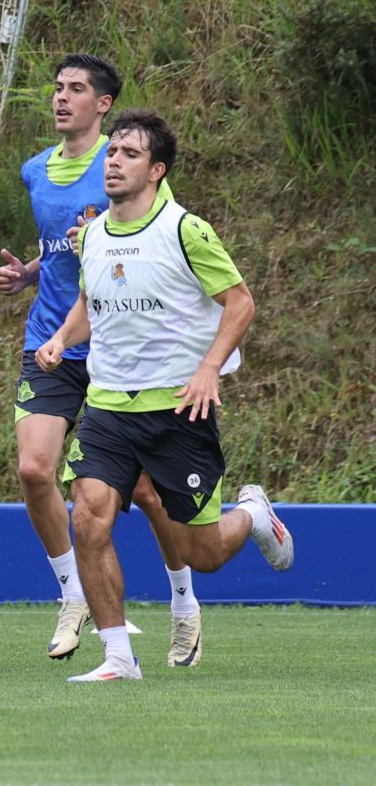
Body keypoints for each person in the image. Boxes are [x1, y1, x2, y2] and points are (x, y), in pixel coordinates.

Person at [36, 108, 294, 683]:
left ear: (156, 170)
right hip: (107, 407)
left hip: (178, 410)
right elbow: (90, 306)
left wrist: (207, 371)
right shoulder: (93, 233)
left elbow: (241, 302)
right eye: (111, 153)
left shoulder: (185, 229)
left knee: (201, 552)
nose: (114, 162)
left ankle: (251, 514)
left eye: (128, 154)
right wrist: (59, 339)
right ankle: (118, 659)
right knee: (89, 520)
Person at [0, 54, 206, 667]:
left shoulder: (125, 168)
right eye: (57, 88)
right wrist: (28, 273)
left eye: (77, 89)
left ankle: (184, 603)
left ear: (104, 105)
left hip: (122, 349)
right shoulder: (36, 170)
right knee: (35, 470)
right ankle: (72, 594)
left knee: (145, 489)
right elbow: (68, 250)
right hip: (55, 340)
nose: (62, 98)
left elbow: (142, 241)